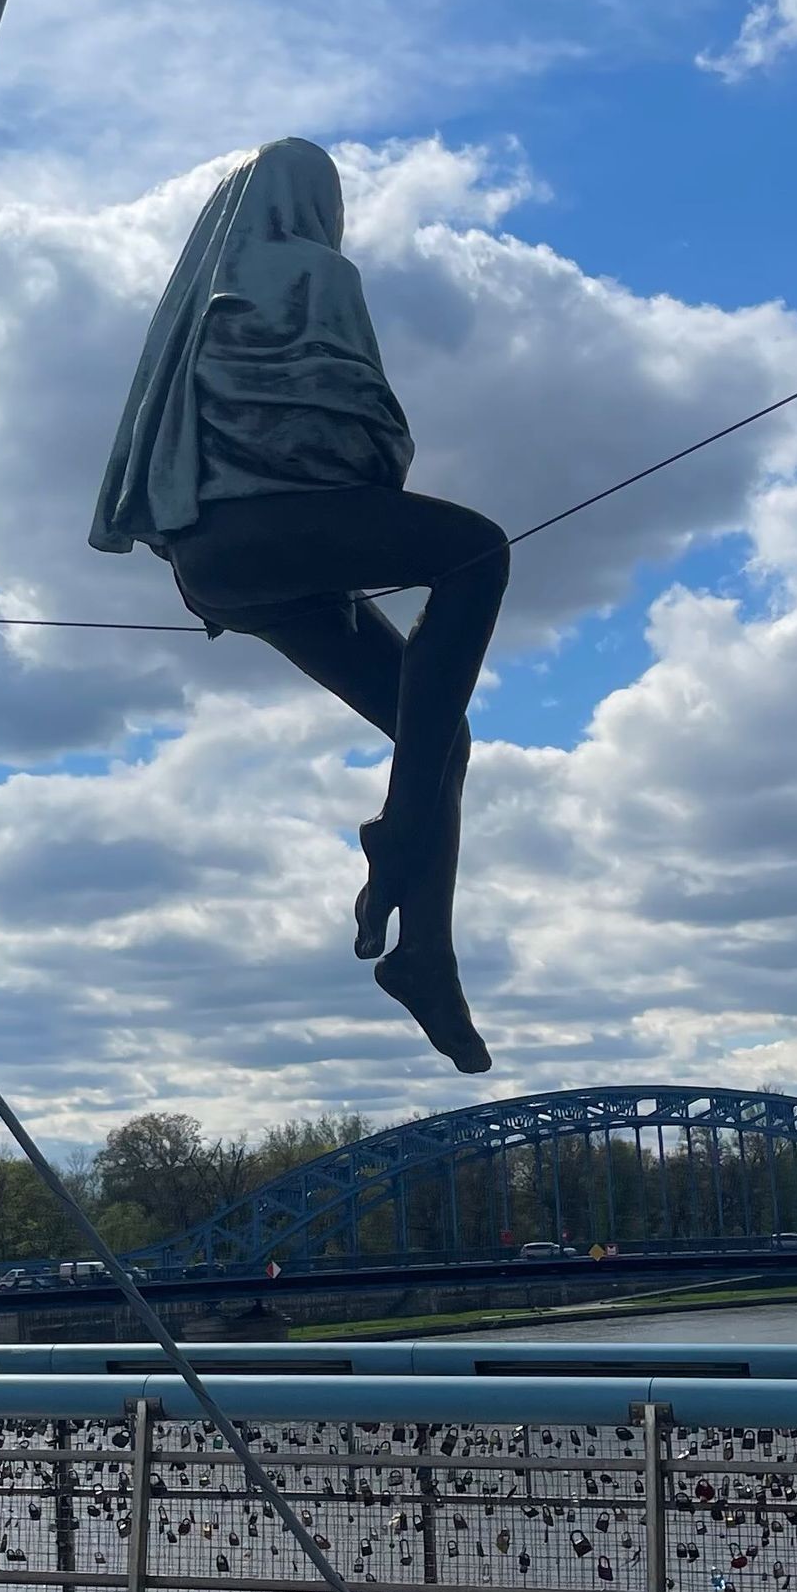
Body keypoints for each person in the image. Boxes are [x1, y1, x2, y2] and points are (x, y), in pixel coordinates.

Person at [90, 137, 507, 1071]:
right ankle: (401, 842)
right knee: (476, 550)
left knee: (441, 731)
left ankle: (425, 958)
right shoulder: (313, 271)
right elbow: (356, 425)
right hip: (281, 535)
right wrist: (367, 497)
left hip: (213, 559)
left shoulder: (197, 303)